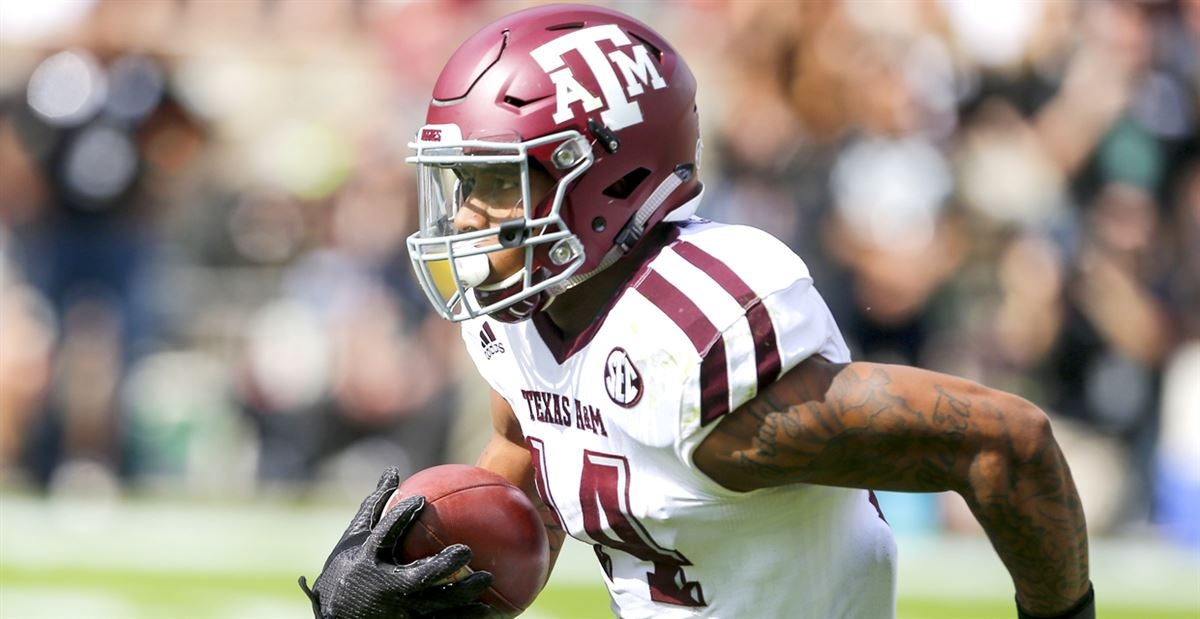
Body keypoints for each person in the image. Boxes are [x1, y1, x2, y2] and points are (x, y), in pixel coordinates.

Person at [300, 5, 1094, 618]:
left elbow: (1006, 442)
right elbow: (527, 490)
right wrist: (407, 576)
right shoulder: (529, 312)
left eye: (498, 183)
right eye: (462, 184)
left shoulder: (695, 347)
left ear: (603, 182)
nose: (468, 215)